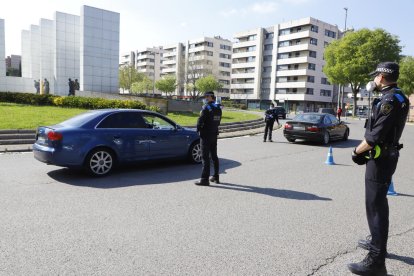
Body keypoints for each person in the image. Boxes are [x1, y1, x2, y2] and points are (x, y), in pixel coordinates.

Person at [349, 62, 409, 275]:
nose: (374, 79)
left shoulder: (389, 100)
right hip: (387, 155)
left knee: (375, 206)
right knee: (377, 204)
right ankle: (377, 244)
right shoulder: (399, 96)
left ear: (382, 77)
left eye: (376, 76)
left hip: (381, 158)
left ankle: (376, 261)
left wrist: (356, 152)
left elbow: (374, 137)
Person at [195, 91, 222, 186]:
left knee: (205, 157)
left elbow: (200, 121)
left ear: (211, 97)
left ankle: (204, 179)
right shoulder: (218, 107)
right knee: (214, 156)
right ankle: (216, 176)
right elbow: (218, 121)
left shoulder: (206, 107)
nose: (205, 98)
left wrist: (198, 129)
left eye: (207, 96)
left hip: (205, 135)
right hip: (214, 134)